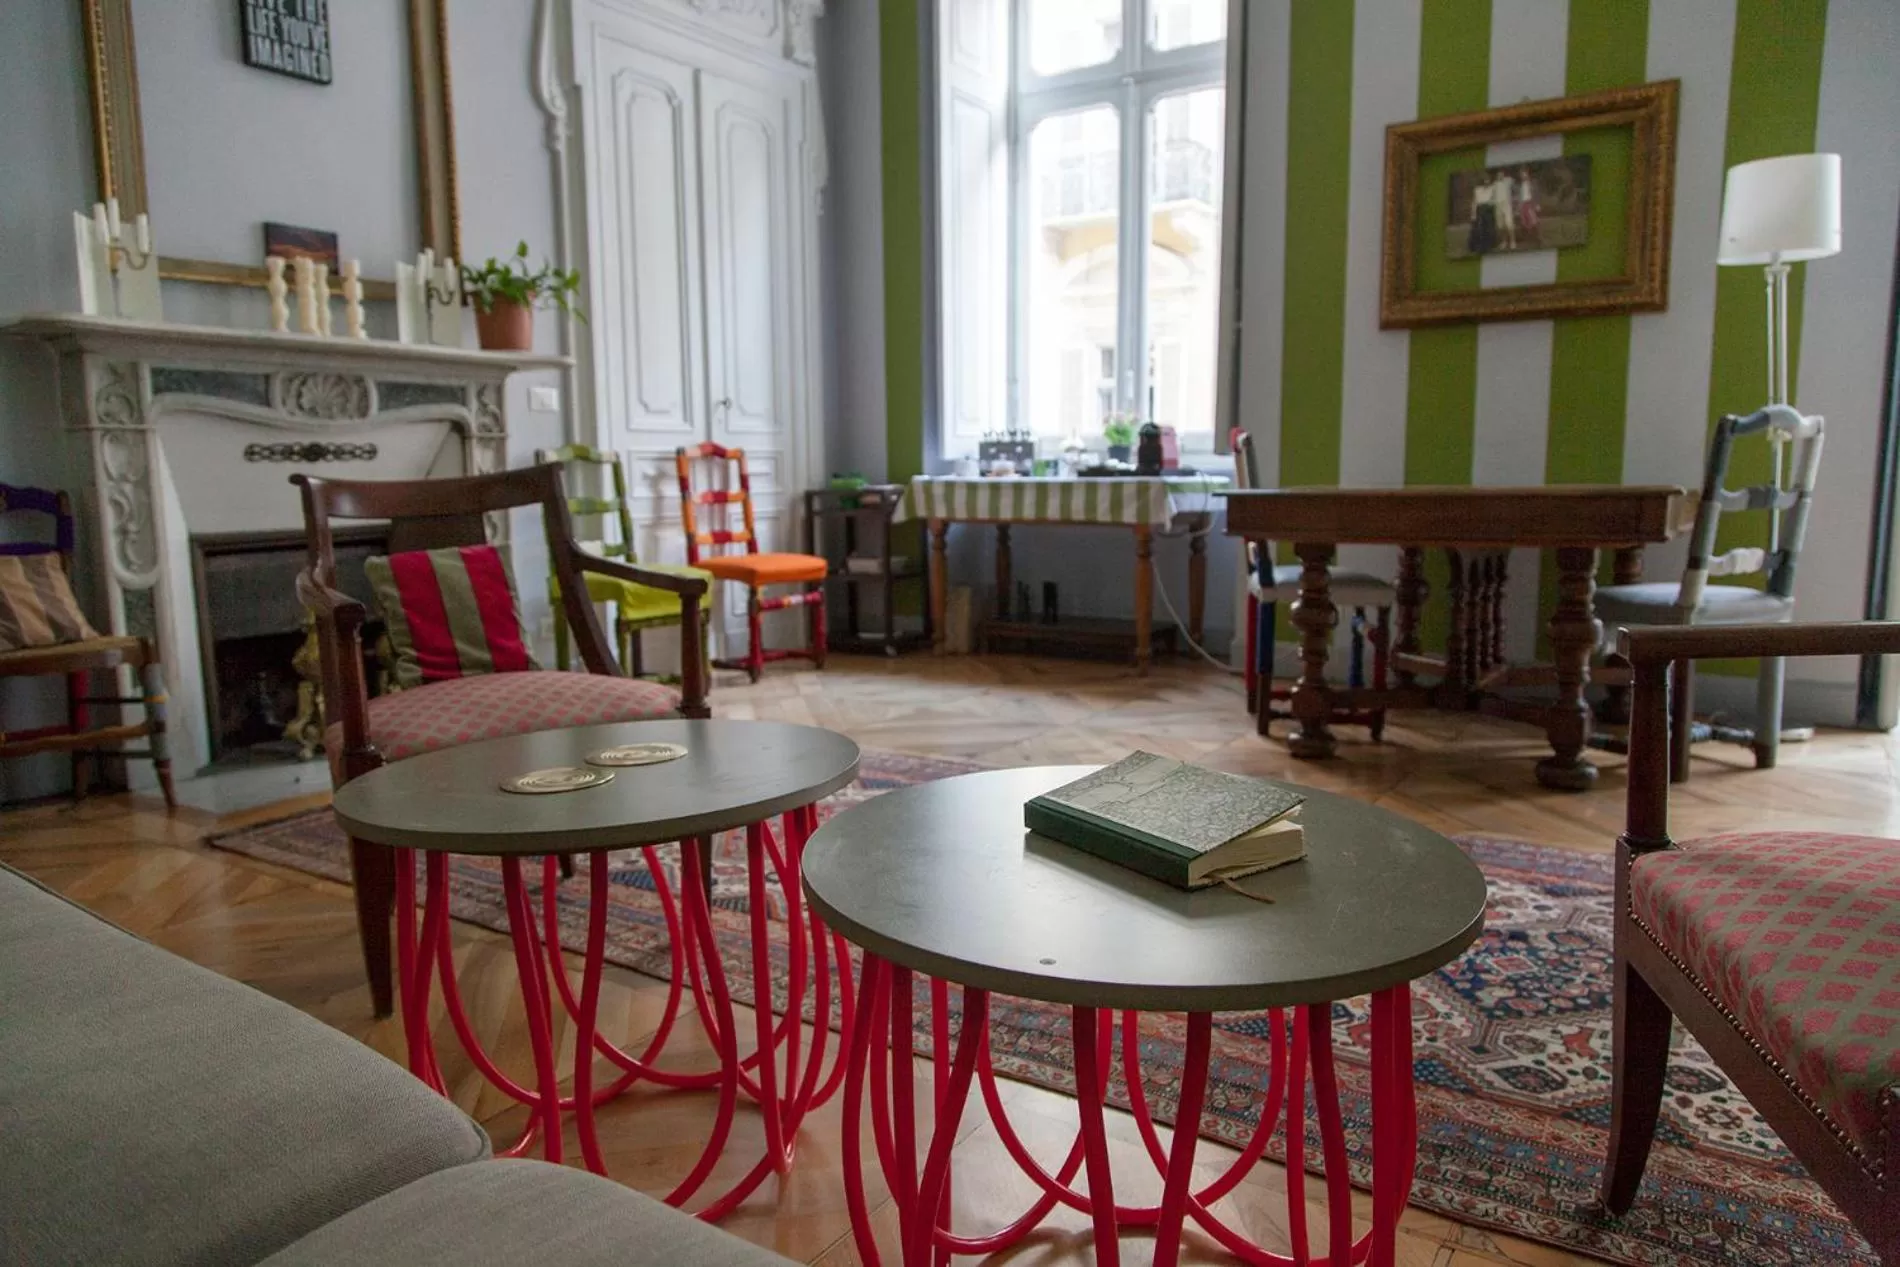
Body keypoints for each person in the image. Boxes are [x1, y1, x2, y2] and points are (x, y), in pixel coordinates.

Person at [1465, 173, 1497, 256]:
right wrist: (1473, 213)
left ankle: (1488, 246)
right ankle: (1475, 246)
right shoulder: (1477, 190)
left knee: (1488, 228)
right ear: (1482, 181)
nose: (1486, 182)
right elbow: (1475, 202)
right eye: (1485, 181)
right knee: (1478, 229)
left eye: (1488, 181)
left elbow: (1494, 200)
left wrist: (1491, 206)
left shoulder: (1492, 189)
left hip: (1488, 209)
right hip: (1479, 209)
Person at [1491, 167, 1518, 251]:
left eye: (1501, 174)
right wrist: (1493, 203)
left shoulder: (1509, 180)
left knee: (1509, 224)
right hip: (1498, 205)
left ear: (1503, 174)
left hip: (1507, 205)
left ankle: (1513, 242)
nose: (1500, 175)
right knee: (1501, 226)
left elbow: (1515, 188)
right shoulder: (1494, 184)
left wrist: (1514, 199)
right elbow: (1492, 196)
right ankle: (1504, 242)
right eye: (1498, 174)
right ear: (1496, 176)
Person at [1515, 166, 1540, 246]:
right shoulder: (1519, 185)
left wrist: (1537, 204)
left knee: (1533, 220)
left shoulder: (1533, 182)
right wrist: (1517, 207)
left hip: (1530, 203)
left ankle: (1537, 237)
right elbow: (1518, 196)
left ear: (1527, 174)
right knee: (1524, 222)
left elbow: (1537, 194)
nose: (1523, 176)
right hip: (1522, 204)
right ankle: (1528, 238)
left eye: (1524, 174)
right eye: (1521, 175)